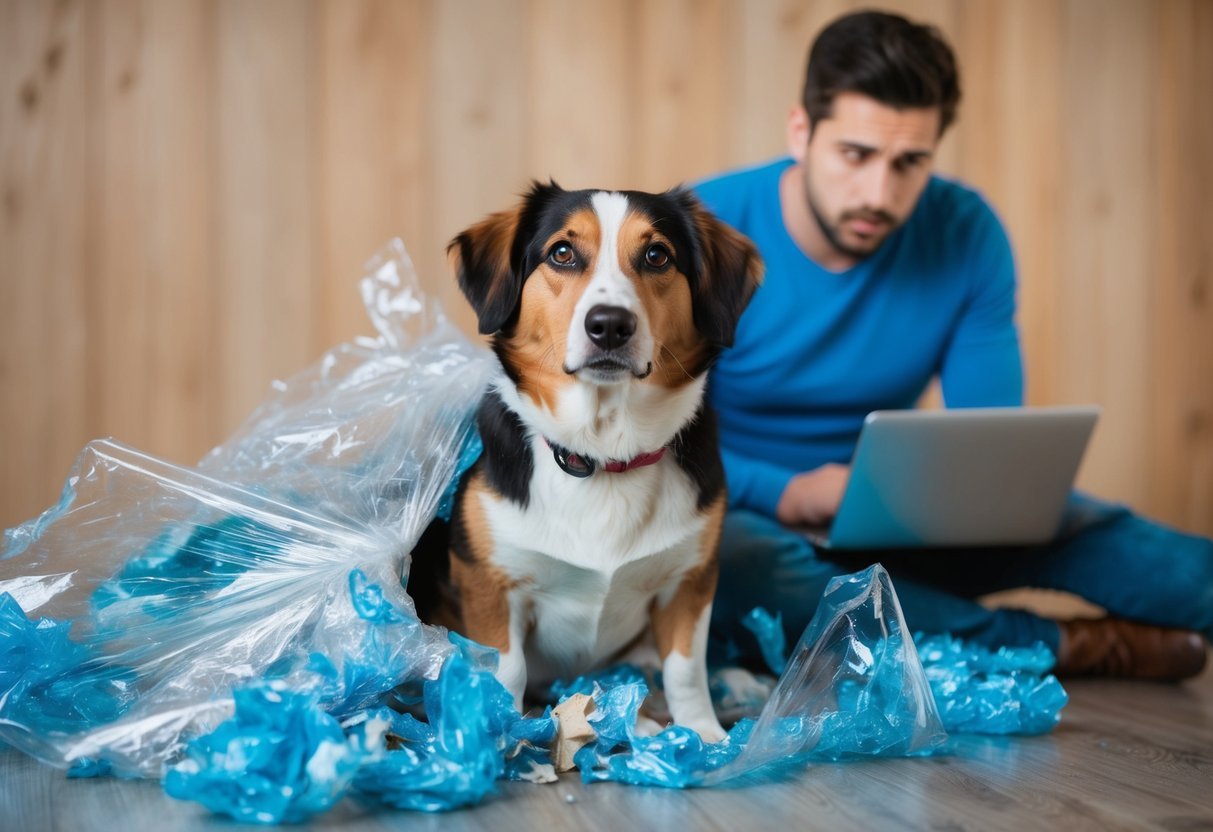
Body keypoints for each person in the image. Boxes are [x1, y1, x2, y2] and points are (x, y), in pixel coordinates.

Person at [694, 9, 1211, 681]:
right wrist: (788, 492)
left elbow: (985, 437)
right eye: (855, 155)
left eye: (910, 162)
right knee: (738, 567)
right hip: (732, 511)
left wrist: (975, 499)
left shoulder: (964, 231)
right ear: (801, 131)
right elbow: (641, 440)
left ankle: (923, 624)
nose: (878, 193)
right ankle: (1061, 646)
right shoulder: (701, 232)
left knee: (1110, 535)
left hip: (892, 521)